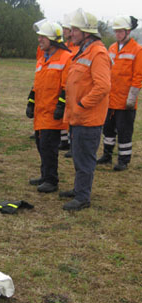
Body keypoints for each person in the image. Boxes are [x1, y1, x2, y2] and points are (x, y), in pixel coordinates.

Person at [60, 8, 111, 211]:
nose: (71, 33)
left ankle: (83, 197)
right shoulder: (83, 50)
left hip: (88, 117)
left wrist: (82, 104)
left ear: (86, 32)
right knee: (78, 154)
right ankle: (79, 189)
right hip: (77, 116)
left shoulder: (98, 53)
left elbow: (103, 86)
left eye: (74, 30)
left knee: (85, 157)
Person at [27, 20, 72, 193]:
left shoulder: (65, 58)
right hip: (41, 112)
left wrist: (60, 107)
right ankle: (45, 175)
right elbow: (36, 85)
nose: (39, 40)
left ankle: (51, 180)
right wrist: (30, 102)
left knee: (48, 146)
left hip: (53, 113)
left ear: (53, 39)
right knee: (41, 145)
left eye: (42, 37)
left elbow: (66, 86)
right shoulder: (42, 59)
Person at [97, 15, 142, 171]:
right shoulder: (112, 48)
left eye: (120, 31)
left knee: (124, 133)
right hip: (110, 99)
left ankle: (123, 160)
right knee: (108, 130)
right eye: (116, 31)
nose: (117, 34)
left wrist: (132, 98)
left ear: (127, 32)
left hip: (125, 101)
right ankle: (107, 155)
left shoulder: (137, 50)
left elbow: (138, 76)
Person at [58, 14, 80, 154]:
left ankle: (73, 145)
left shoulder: (77, 48)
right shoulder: (65, 47)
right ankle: (65, 141)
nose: (65, 32)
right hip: (63, 84)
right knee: (64, 114)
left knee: (72, 116)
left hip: (73, 87)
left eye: (66, 29)